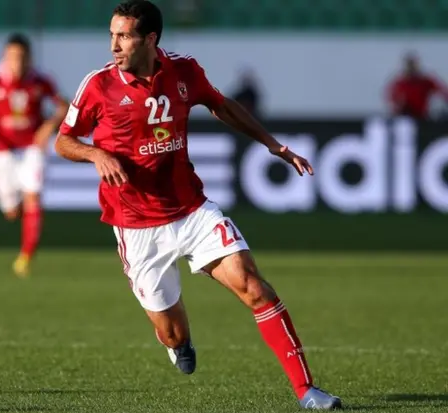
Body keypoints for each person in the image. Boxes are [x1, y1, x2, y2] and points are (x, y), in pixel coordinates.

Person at [55, 1, 341, 410]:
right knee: (172, 332)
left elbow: (221, 106)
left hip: (192, 210)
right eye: (112, 35)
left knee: (253, 286)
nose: (114, 45)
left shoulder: (184, 70)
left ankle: (307, 391)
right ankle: (178, 342)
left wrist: (273, 145)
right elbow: (63, 141)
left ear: (150, 39)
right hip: (137, 226)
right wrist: (96, 155)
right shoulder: (97, 85)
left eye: (124, 36)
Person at [0, 33, 68, 277]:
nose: (17, 63)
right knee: (11, 212)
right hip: (4, 150)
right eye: (12, 57)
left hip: (32, 148)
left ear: (29, 58)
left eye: (22, 57)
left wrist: (47, 128)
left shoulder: (41, 80)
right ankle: (22, 214)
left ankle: (26, 255)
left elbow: (64, 105)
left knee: (33, 197)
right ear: (5, 57)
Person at [386, 52, 448, 120]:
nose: (411, 68)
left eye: (413, 65)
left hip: (422, 117)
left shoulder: (425, 81)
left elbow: (442, 91)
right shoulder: (399, 84)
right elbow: (392, 101)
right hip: (404, 118)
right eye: (409, 65)